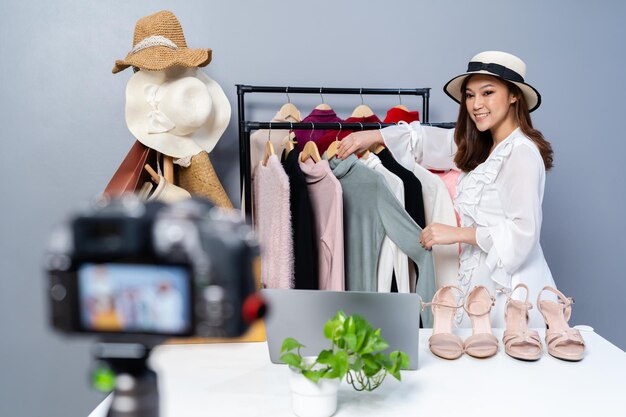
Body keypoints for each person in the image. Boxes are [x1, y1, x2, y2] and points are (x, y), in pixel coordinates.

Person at [336, 51, 556, 327]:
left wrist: (454, 234)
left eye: (487, 93)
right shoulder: (485, 146)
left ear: (514, 96)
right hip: (478, 282)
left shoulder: (520, 153)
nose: (476, 104)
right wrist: (374, 135)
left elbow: (524, 234)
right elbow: (429, 141)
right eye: (470, 95)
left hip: (511, 287)